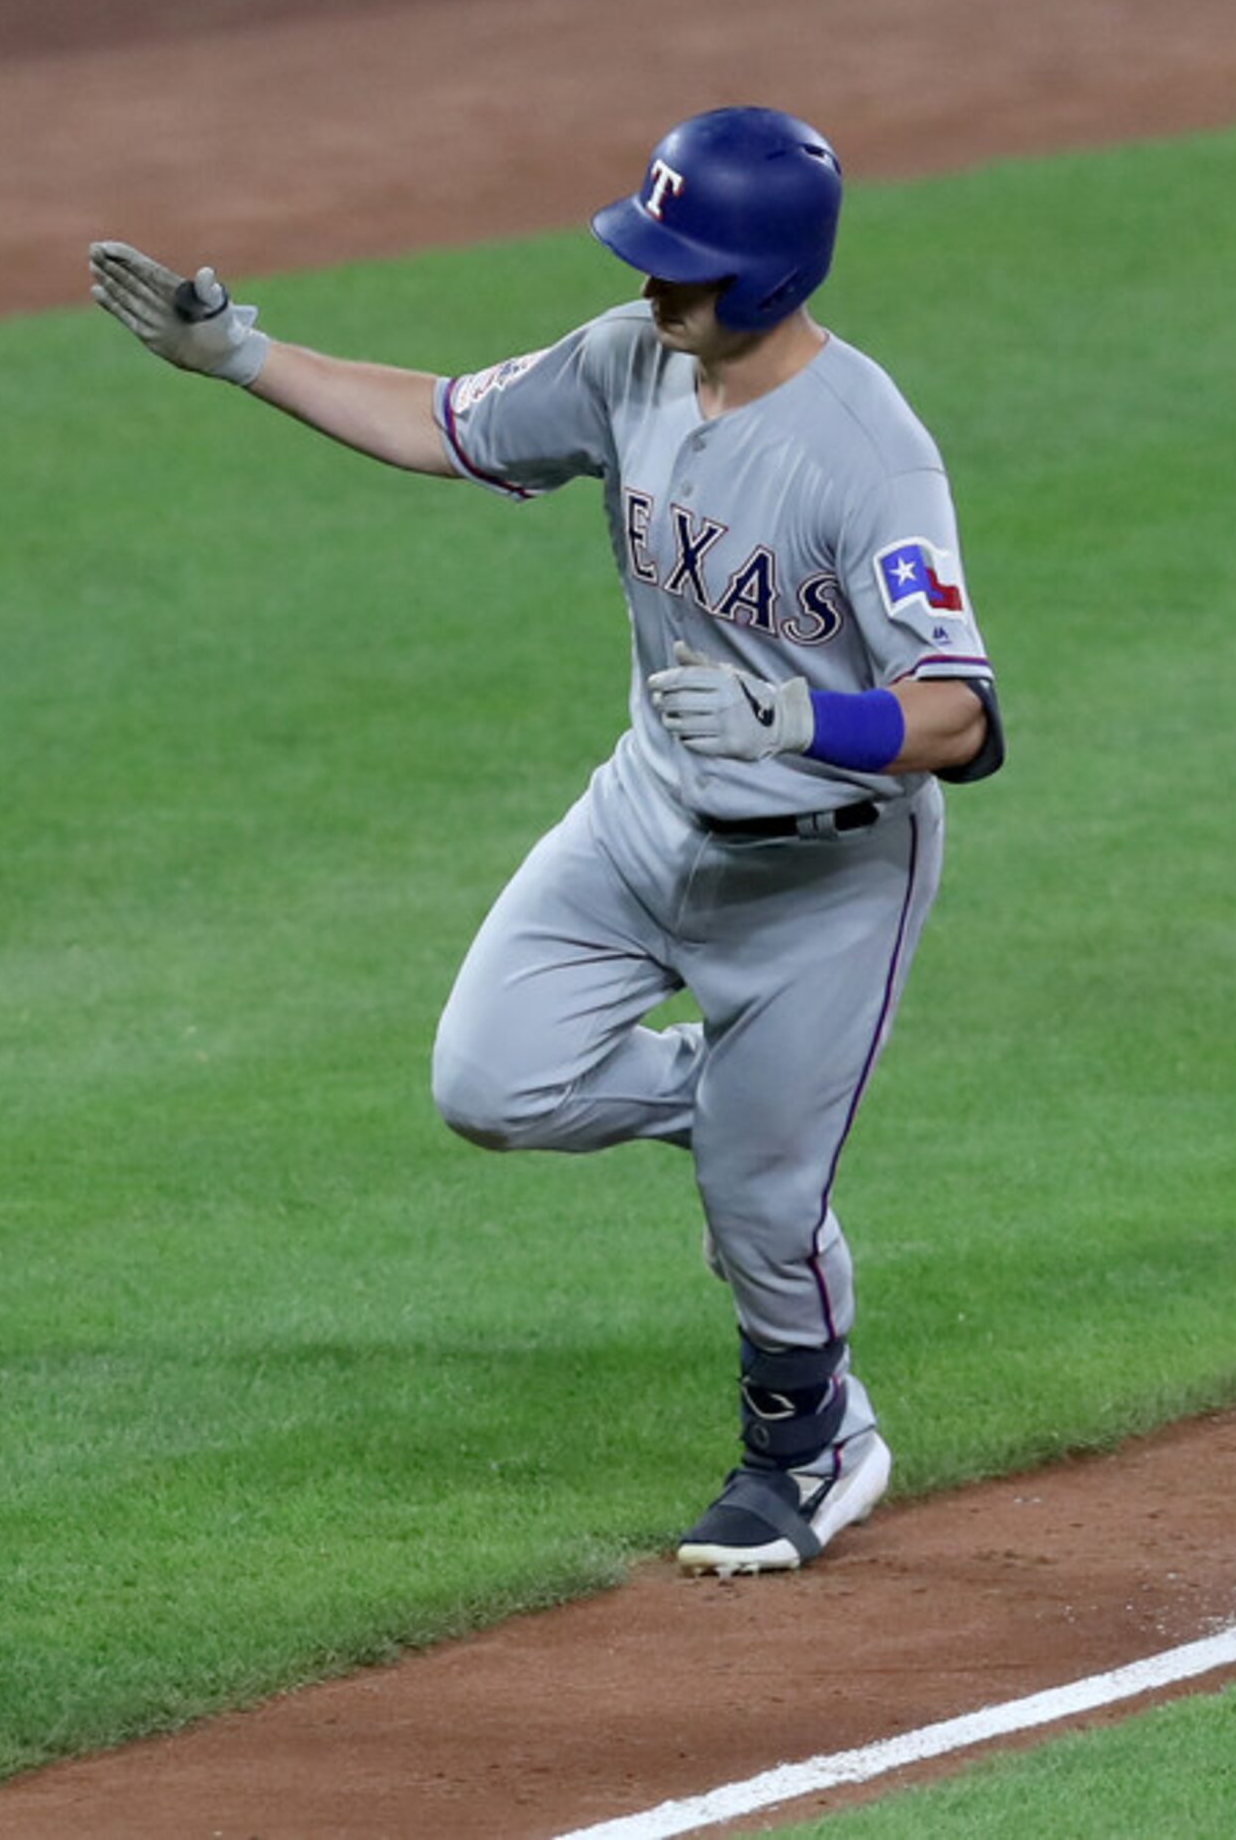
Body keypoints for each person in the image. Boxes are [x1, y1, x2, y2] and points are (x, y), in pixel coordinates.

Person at [89, 107, 1001, 1575]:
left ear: (767, 280)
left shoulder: (871, 456)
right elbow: (442, 419)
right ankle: (742, 1100)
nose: (654, 289)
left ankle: (809, 1441)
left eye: (683, 270)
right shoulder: (628, 361)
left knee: (767, 1212)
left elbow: (957, 712)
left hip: (824, 876)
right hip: (645, 819)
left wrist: (797, 725)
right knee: (490, 1080)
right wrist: (238, 355)